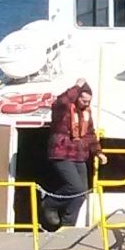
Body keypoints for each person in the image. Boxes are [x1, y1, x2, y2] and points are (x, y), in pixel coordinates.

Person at [43, 82, 95, 230]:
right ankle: (50, 204)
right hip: (61, 153)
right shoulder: (63, 110)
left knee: (82, 193)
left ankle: (68, 225)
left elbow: (90, 134)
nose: (86, 103)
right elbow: (61, 101)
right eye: (83, 100)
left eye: (89, 101)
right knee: (75, 187)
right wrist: (77, 87)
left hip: (79, 155)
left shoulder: (86, 113)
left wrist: (98, 152)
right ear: (77, 97)